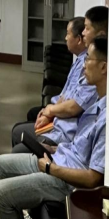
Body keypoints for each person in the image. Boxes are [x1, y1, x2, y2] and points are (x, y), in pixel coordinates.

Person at [0, 36, 106, 219]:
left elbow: (93, 178)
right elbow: (79, 145)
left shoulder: (106, 117)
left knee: (0, 194)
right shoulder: (98, 102)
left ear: (104, 67)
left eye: (89, 60)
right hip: (59, 160)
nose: (84, 64)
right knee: (1, 164)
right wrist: (55, 151)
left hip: (67, 181)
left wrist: (50, 168)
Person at [11, 17, 97, 153]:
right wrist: (49, 111)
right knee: (18, 130)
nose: (65, 38)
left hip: (64, 132)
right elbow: (65, 96)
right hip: (59, 122)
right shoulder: (81, 61)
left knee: (19, 140)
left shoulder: (90, 69)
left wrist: (50, 111)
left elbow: (72, 107)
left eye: (68, 33)